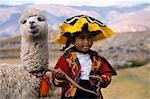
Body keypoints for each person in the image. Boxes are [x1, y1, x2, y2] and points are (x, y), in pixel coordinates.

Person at [49, 15, 117, 99]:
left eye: (89, 38)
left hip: (92, 94)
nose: (86, 42)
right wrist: (59, 76)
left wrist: (102, 79)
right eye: (81, 38)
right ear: (73, 40)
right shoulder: (66, 58)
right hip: (72, 96)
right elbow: (57, 81)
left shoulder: (97, 59)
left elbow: (107, 73)